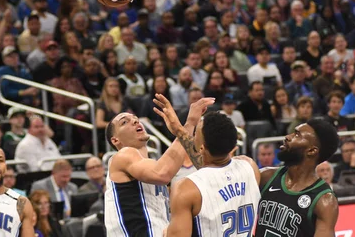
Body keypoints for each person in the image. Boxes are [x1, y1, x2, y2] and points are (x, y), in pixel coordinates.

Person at [103, 94, 213, 236]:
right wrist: (188, 124)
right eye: (124, 122)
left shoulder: (151, 164)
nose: (135, 121)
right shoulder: (122, 156)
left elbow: (205, 170)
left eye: (135, 118)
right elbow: (162, 174)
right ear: (115, 140)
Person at [165, 112, 261, 236]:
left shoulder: (186, 188)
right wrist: (179, 130)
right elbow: (214, 166)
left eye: (195, 136)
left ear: (202, 149)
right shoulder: (250, 167)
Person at [255, 119, 340, 237]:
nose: (287, 137)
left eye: (297, 135)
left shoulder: (324, 200)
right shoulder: (266, 176)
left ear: (312, 150)